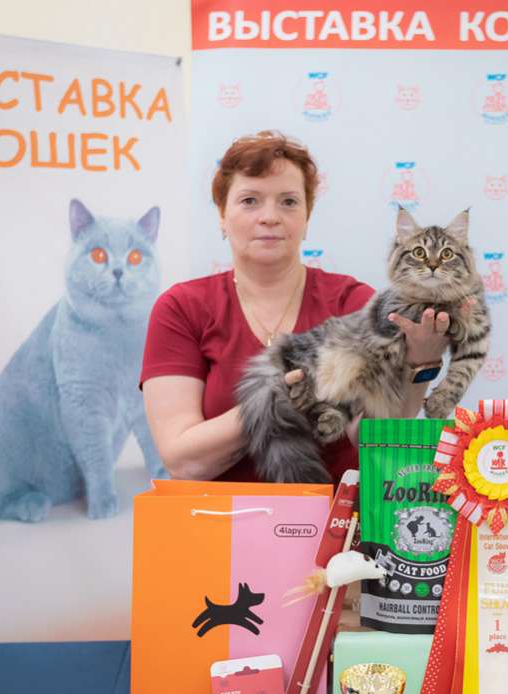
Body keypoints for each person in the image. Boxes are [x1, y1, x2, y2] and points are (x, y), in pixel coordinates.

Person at [140, 130, 452, 483]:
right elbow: (185, 462)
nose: (270, 216)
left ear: (306, 217)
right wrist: (271, 402)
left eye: (288, 201)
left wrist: (420, 363)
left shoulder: (353, 302)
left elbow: (374, 438)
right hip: (217, 515)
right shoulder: (181, 308)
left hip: (335, 515)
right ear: (222, 216)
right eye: (250, 200)